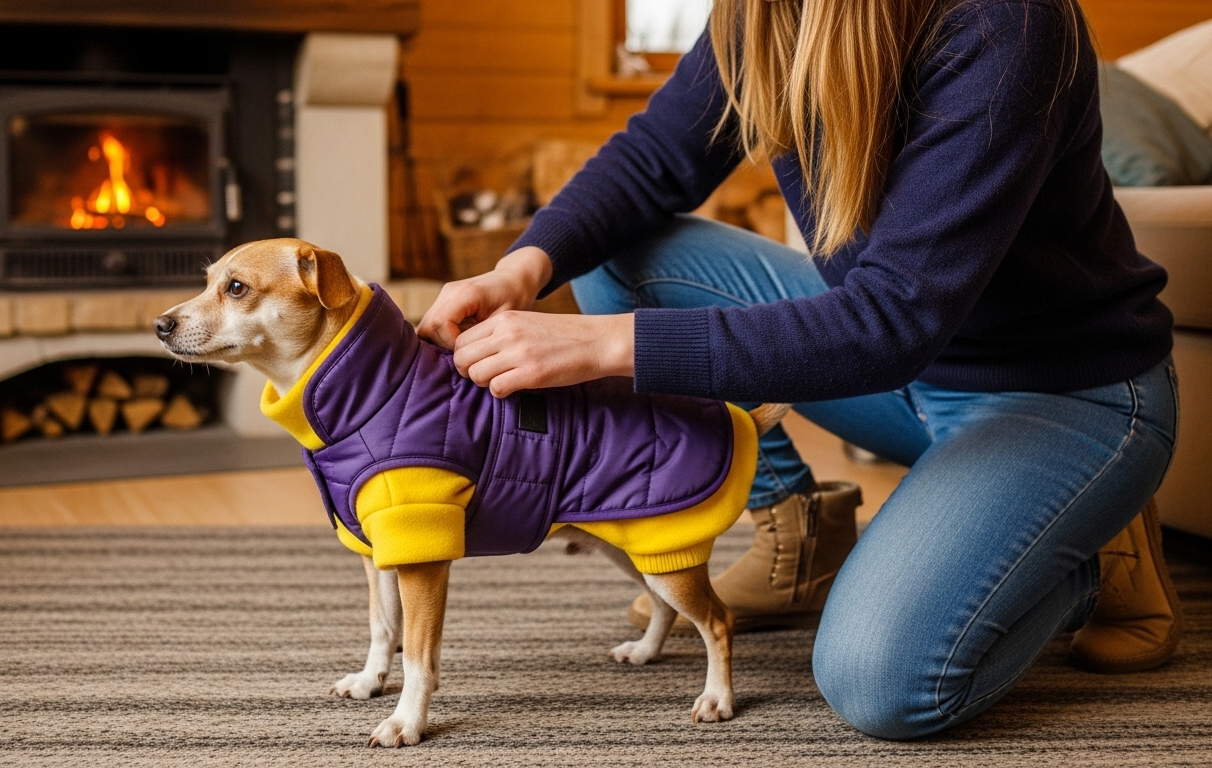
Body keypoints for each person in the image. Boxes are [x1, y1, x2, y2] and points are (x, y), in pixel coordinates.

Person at [416, 0, 1183, 740]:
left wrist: (602, 346)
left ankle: (1086, 555)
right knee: (621, 254)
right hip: (903, 366)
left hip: (1059, 391)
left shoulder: (1006, 22)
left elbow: (893, 320)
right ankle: (799, 529)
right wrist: (520, 270)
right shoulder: (764, 11)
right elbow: (655, 158)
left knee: (881, 683)